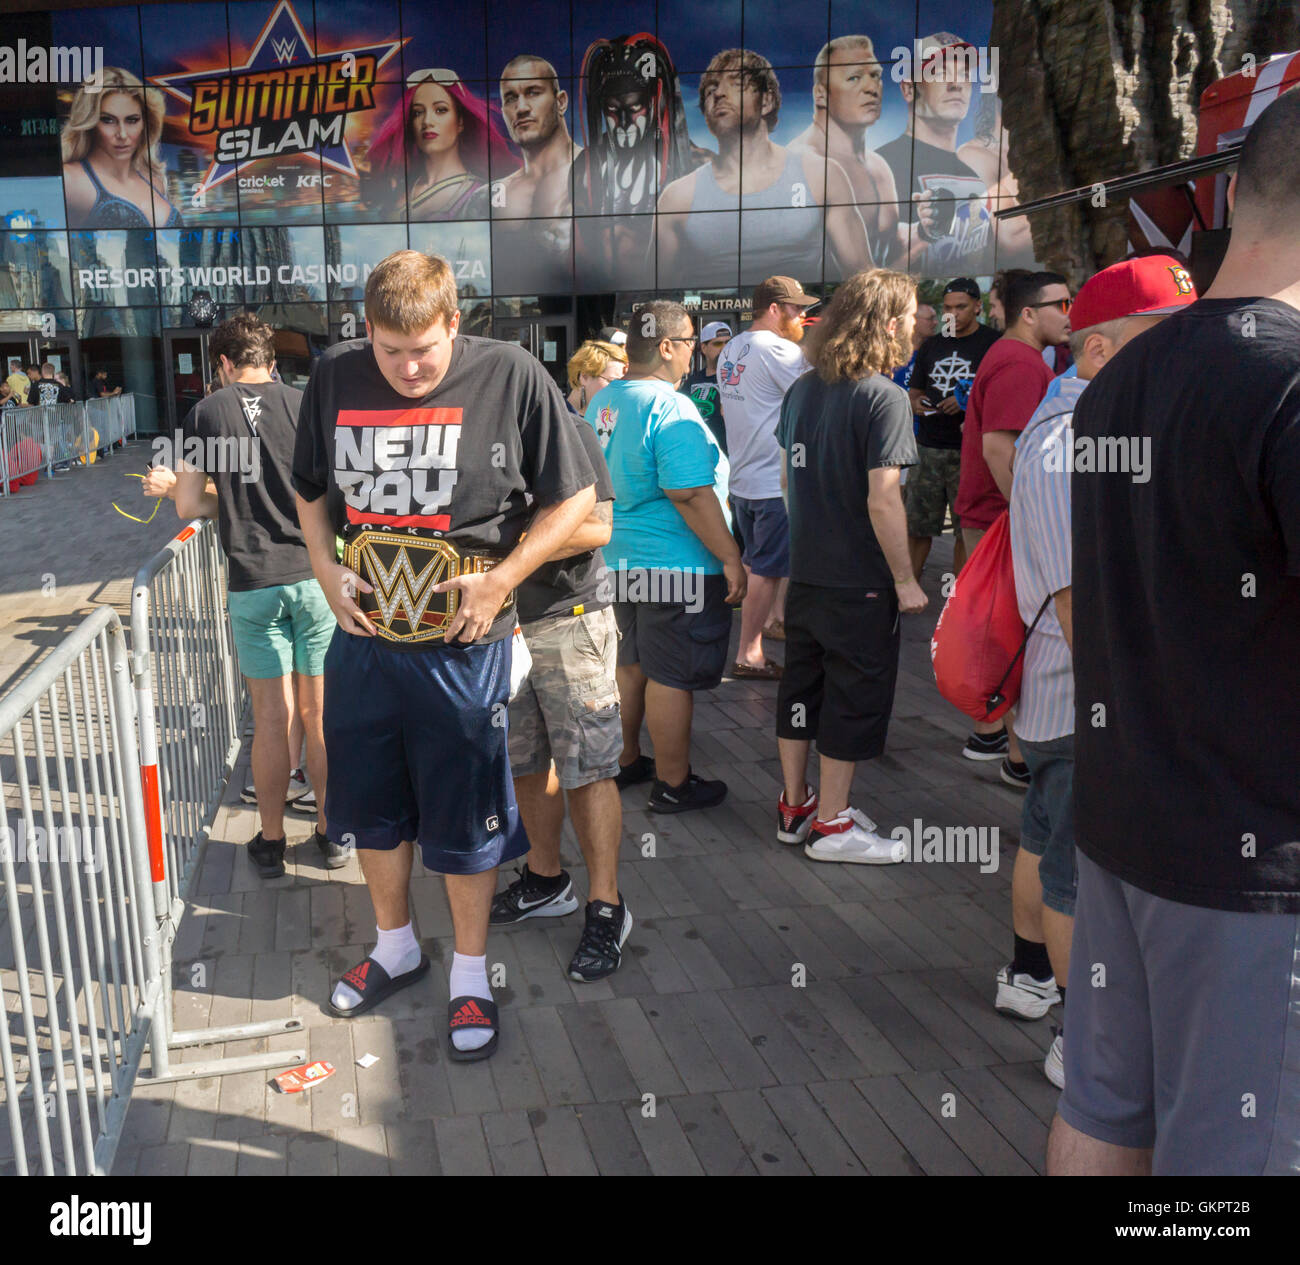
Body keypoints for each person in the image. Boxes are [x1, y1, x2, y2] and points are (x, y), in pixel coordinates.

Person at [1051, 91, 1300, 1177]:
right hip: (1250, 866)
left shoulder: (1115, 384)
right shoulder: (1286, 383)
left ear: (1236, 194)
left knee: (1108, 1114)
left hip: (1127, 827)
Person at [292, 250, 596, 1062]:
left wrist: (503, 578)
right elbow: (311, 487)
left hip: (465, 648)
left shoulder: (512, 373)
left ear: (455, 322)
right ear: (367, 332)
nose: (408, 366)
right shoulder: (335, 377)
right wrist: (323, 567)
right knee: (372, 806)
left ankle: (470, 970)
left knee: (465, 815)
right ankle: (396, 945)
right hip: (364, 642)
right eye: (390, 350)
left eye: (424, 347)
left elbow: (576, 497)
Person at [1006, 255, 1196, 1089]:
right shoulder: (1068, 445)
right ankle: (1083, 1041)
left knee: (1047, 842)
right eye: (1166, 341)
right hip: (1083, 705)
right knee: (1075, 877)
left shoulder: (1098, 433)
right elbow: (1086, 611)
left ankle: (1029, 982)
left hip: (1075, 706)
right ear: (1099, 351)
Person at [146, 313, 339, 879]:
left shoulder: (205, 413)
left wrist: (224, 502)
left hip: (254, 583)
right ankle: (332, 832)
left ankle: (273, 841)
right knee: (320, 715)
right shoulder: (306, 403)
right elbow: (330, 489)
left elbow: (186, 505)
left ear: (224, 365)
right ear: (271, 360)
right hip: (315, 576)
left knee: (271, 719)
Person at [774, 269, 926, 862]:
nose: (915, 323)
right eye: (911, 314)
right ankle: (833, 827)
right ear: (888, 323)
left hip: (809, 573)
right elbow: (883, 496)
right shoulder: (883, 396)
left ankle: (796, 807)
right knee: (850, 696)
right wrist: (906, 579)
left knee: (800, 688)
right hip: (859, 582)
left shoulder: (802, 390)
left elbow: (788, 481)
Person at [492, 388, 630, 982]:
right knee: (525, 762)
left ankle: (608, 906)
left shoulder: (564, 426)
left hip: (570, 623)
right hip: (504, 627)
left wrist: (504, 547)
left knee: (589, 770)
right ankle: (547, 880)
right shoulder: (469, 431)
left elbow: (597, 528)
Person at [589, 300, 746, 811]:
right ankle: (674, 784)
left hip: (619, 561)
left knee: (631, 664)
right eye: (689, 345)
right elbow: (691, 493)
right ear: (666, 347)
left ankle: (627, 760)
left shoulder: (604, 401)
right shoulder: (671, 406)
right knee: (671, 674)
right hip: (676, 565)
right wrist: (730, 557)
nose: (693, 355)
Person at [953, 270, 1070, 784]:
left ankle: (996, 741)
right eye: (1061, 304)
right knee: (1013, 636)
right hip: (1000, 518)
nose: (1070, 313)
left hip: (995, 516)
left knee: (1009, 633)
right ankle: (1016, 757)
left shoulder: (1016, 358)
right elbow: (1000, 448)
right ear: (1029, 313)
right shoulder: (1021, 363)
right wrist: (1033, 519)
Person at [655, 49, 871, 288]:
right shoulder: (677, 198)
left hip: (799, 320)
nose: (719, 94)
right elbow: (648, 299)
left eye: (736, 84)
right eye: (710, 91)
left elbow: (865, 280)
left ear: (766, 102)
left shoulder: (821, 176)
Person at [716, 277, 815, 678]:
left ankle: (761, 635)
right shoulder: (776, 348)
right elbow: (818, 391)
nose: (803, 316)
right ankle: (748, 653)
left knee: (761, 566)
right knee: (767, 571)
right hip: (769, 481)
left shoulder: (732, 346)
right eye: (797, 309)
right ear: (774, 309)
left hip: (743, 478)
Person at [906, 278, 1000, 579]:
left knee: (966, 529)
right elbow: (914, 392)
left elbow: (999, 395)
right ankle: (905, 591)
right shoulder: (932, 345)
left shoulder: (993, 344)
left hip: (968, 451)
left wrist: (966, 403)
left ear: (977, 306)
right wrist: (918, 403)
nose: (952, 314)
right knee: (917, 527)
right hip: (929, 447)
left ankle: (958, 601)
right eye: (947, 308)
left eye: (960, 307)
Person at [877, 34, 992, 276]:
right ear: (909, 89)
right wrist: (924, 232)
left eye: (964, 75)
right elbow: (869, 269)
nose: (956, 84)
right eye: (940, 73)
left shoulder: (975, 176)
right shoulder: (880, 166)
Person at [789, 35, 901, 266]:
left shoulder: (879, 166)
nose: (872, 88)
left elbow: (891, 252)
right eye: (854, 78)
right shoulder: (800, 163)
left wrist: (928, 231)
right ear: (820, 94)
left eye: (875, 76)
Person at [367, 70, 518, 220]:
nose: (427, 121)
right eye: (417, 113)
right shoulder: (398, 193)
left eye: (440, 110)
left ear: (460, 122)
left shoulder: (481, 195)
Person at [61, 67, 181, 229]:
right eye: (108, 120)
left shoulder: (155, 181)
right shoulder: (70, 180)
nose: (122, 134)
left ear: (145, 123)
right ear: (90, 123)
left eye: (132, 120)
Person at [681, 320, 731, 453]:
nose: (724, 348)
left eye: (728, 343)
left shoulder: (739, 380)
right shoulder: (691, 382)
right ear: (704, 348)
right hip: (698, 453)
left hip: (730, 456)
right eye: (718, 344)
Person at [566, 339, 627, 417]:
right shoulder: (560, 421)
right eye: (613, 382)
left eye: (624, 383)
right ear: (585, 377)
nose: (621, 389)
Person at [891, 302, 936, 392]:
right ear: (914, 320)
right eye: (930, 319)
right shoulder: (893, 351)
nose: (935, 322)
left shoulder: (935, 351)